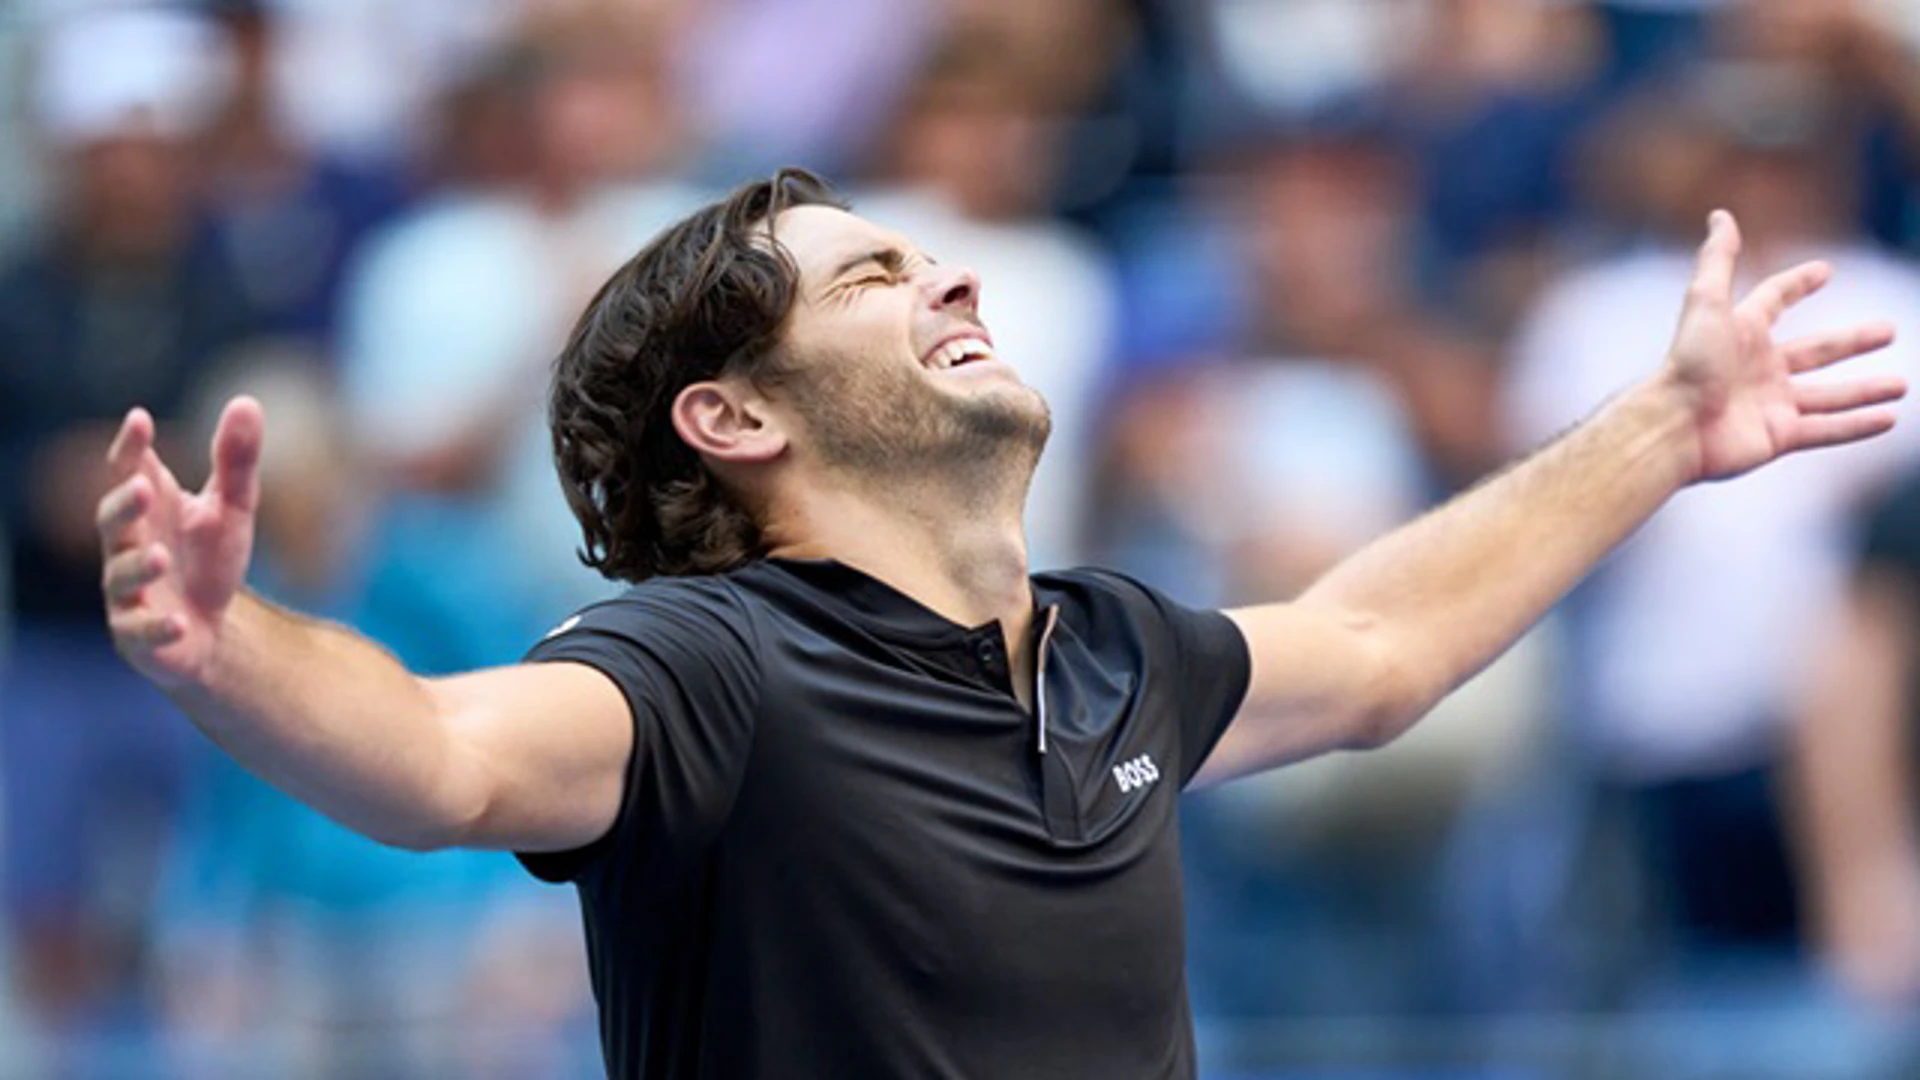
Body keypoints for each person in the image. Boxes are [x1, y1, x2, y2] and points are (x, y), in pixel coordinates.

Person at [95, 169, 1902, 1078]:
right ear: (737, 419)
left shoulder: (1116, 647)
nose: (949, 273)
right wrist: (223, 642)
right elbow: (436, 760)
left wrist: (1664, 430)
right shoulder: (706, 669)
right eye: (873, 277)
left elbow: (1375, 649)